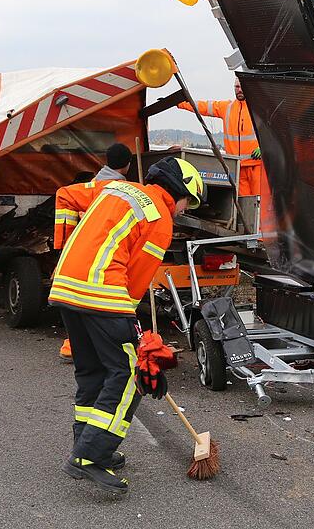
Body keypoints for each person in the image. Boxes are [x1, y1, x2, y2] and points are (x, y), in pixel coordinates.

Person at [49, 157, 204, 494]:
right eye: (187, 201)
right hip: (102, 293)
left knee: (92, 372)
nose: (183, 209)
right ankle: (90, 456)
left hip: (65, 288)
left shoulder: (117, 187)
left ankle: (86, 445)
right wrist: (136, 335)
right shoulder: (159, 218)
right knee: (131, 375)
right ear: (179, 190)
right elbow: (135, 280)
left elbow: (67, 196)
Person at [59, 142, 137, 361]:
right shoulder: (117, 189)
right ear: (128, 165)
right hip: (100, 249)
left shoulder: (94, 183)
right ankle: (76, 346)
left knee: (80, 300)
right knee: (93, 302)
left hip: (82, 247)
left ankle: (74, 345)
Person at [178, 77, 264, 196]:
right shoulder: (227, 107)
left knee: (259, 201)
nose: (240, 90)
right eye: (237, 87)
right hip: (237, 167)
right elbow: (203, 106)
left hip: (257, 166)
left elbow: (276, 132)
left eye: (242, 87)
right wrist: (179, 103)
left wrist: (264, 148)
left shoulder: (260, 109)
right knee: (243, 201)